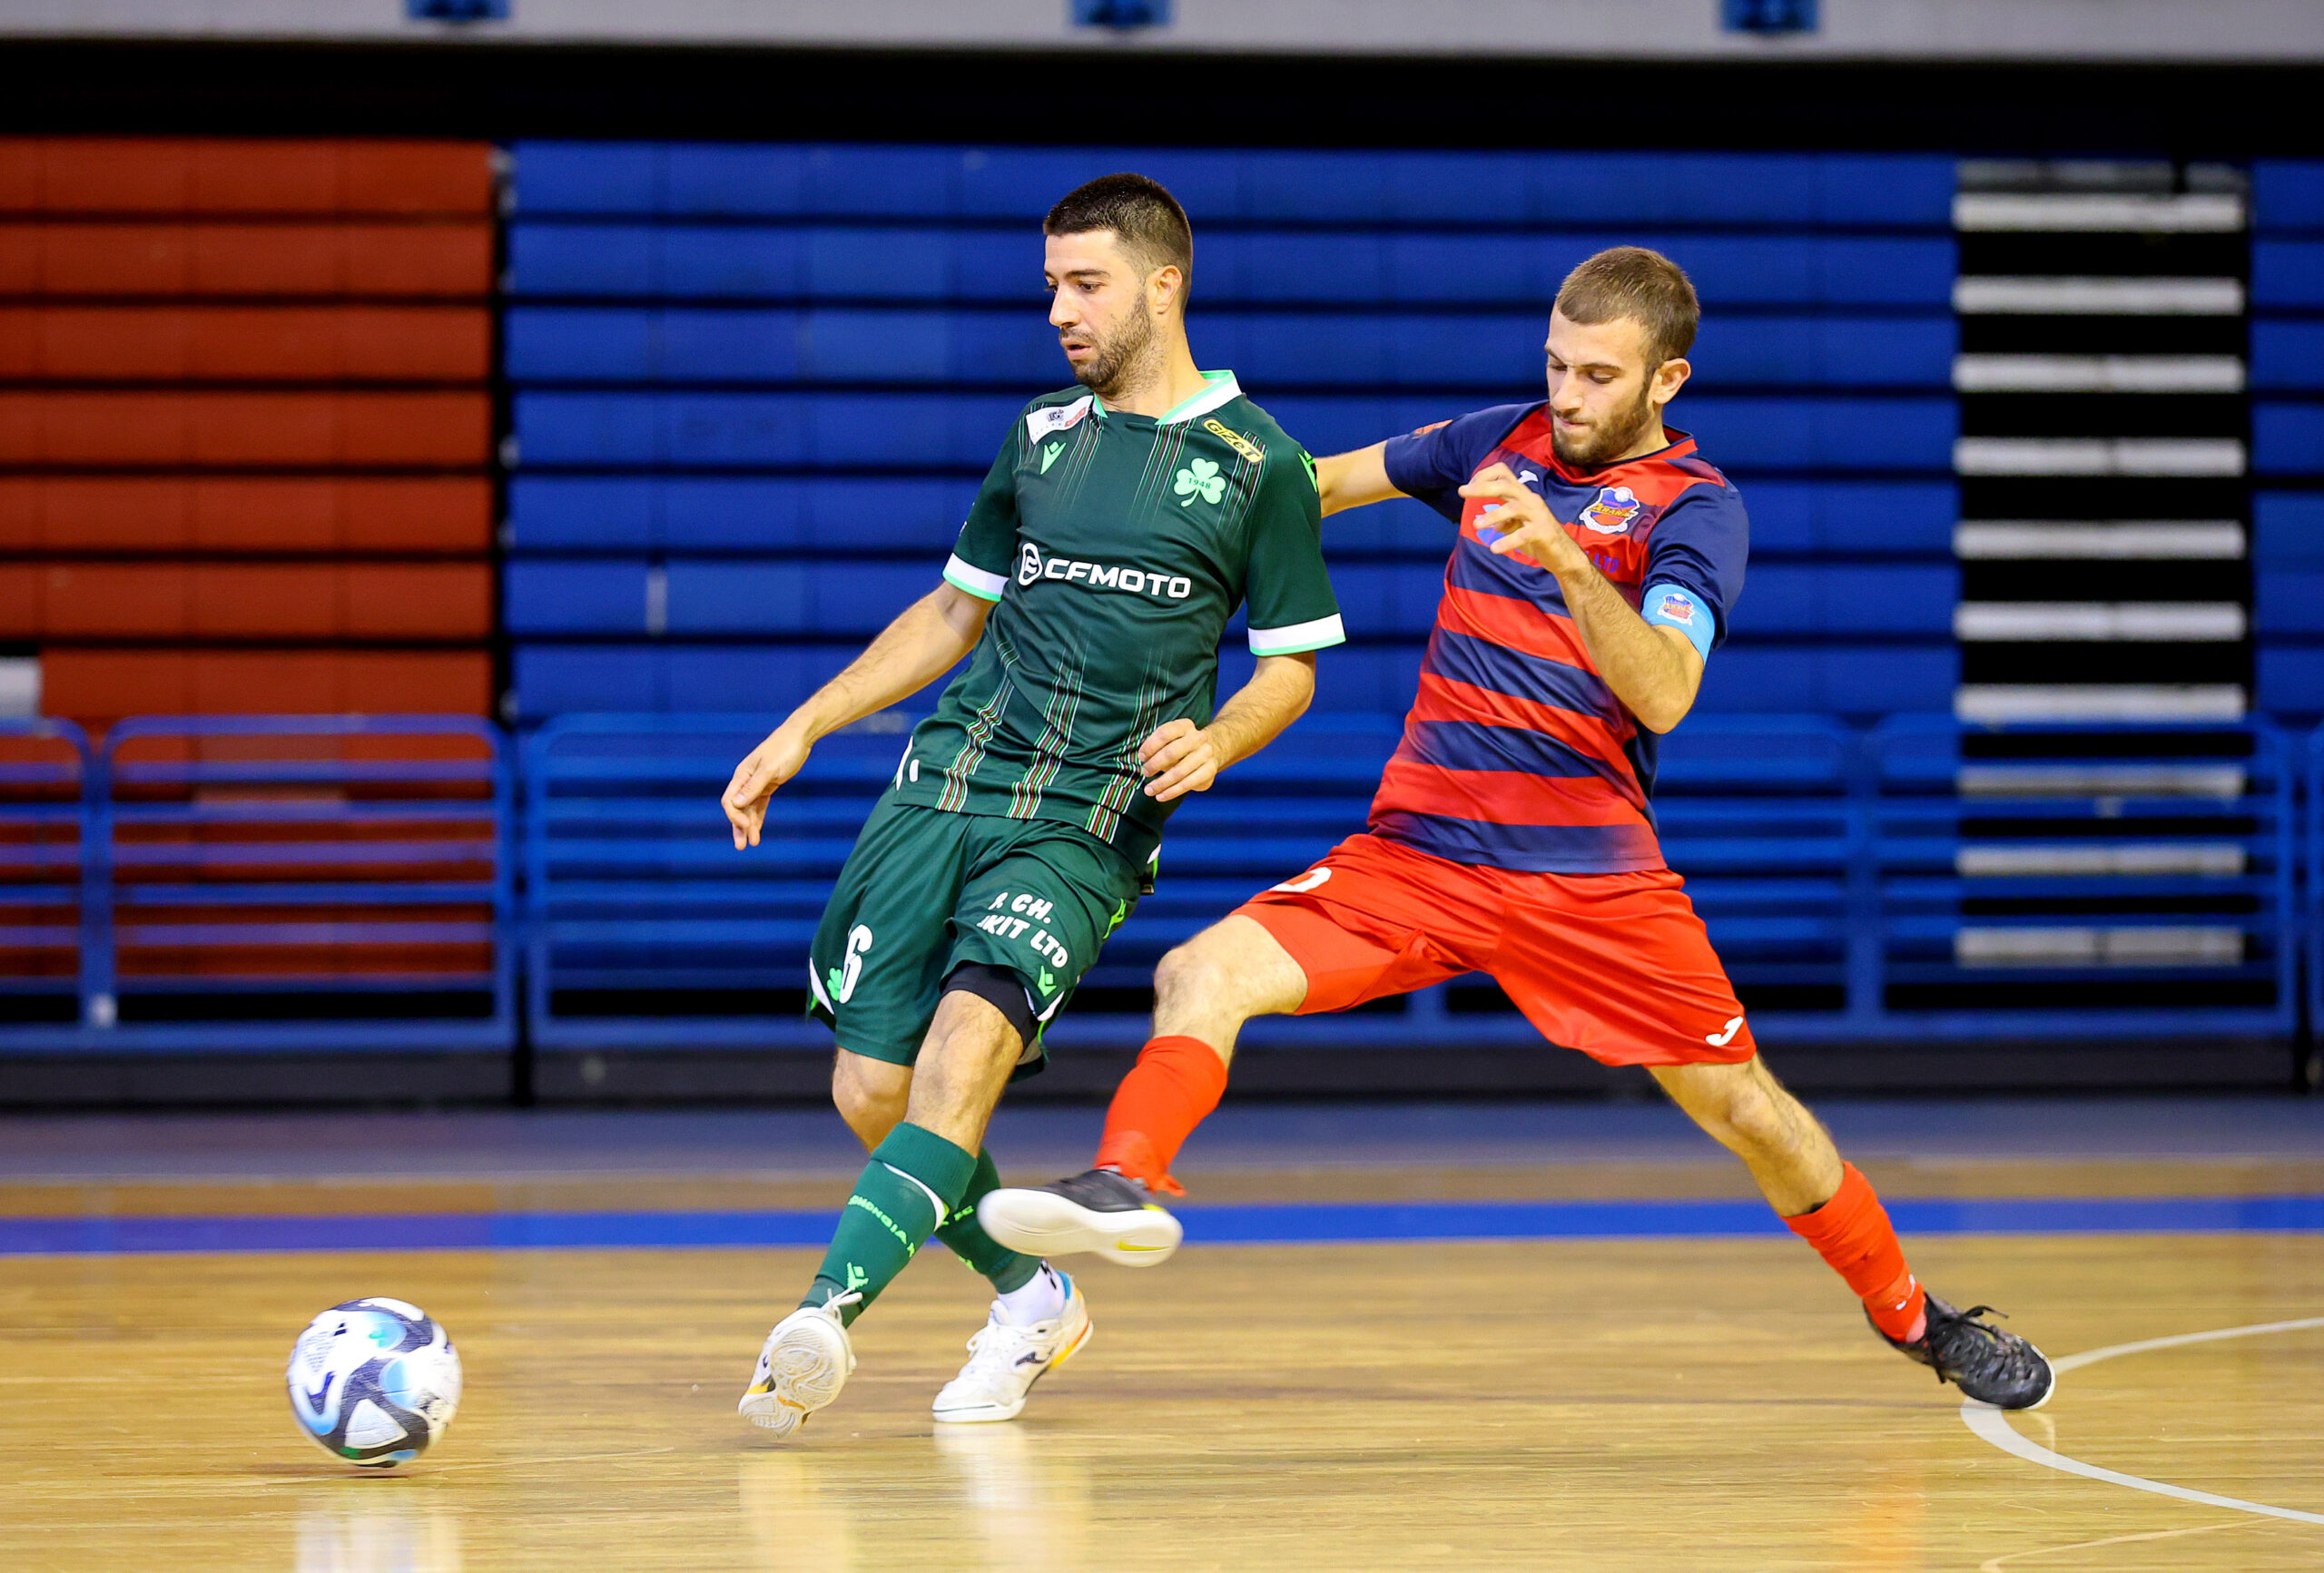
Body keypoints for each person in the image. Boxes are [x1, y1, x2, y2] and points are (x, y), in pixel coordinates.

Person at [980, 245, 2054, 1411]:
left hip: (1591, 881)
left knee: (1753, 1114)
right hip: (1421, 855)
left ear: (1667, 381)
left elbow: (1666, 692)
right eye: (1555, 365)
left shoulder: (1697, 511)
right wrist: (1161, 482)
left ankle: (1917, 1318)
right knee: (1202, 968)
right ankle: (1122, 1178)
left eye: (1599, 375)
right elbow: (1309, 485)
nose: (1568, 396)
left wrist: (1565, 560)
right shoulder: (1500, 439)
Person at [718, 173, 1344, 1439]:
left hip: (1085, 820)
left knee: (960, 1064)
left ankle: (819, 1323)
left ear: (1165, 286)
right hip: (944, 785)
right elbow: (957, 611)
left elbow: (1291, 666)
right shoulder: (1039, 438)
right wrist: (804, 725)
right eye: (1052, 284)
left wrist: (1219, 738)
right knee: (869, 1096)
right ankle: (1032, 1295)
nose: (1060, 309)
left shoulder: (1258, 464)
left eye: (1086, 283)